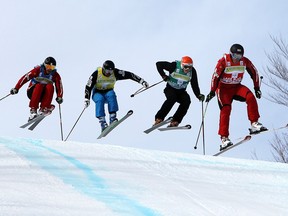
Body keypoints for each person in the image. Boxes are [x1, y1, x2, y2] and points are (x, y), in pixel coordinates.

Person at [205, 44, 267, 151]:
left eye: (239, 56)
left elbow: (254, 72)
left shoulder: (244, 61)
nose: (237, 59)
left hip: (236, 87)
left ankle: (254, 123)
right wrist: (212, 91)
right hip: (223, 89)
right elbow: (215, 77)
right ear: (230, 54)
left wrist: (256, 88)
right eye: (235, 56)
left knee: (250, 97)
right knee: (226, 109)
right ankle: (224, 138)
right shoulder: (223, 61)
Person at [84, 60, 149, 131]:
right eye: (107, 71)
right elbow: (88, 86)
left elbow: (130, 75)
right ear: (103, 69)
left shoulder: (116, 73)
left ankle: (112, 118)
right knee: (100, 99)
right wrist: (87, 99)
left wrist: (142, 81)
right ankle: (103, 123)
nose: (109, 73)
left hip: (108, 92)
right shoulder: (96, 74)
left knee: (111, 94)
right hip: (97, 93)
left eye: (110, 71)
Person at [154, 56, 205, 127]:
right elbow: (159, 64)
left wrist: (198, 95)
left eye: (190, 67)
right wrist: (163, 75)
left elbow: (194, 84)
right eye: (186, 67)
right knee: (172, 98)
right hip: (170, 89)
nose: (187, 69)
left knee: (186, 100)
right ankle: (159, 118)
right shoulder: (174, 66)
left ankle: (176, 120)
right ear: (182, 65)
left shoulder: (192, 72)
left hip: (181, 92)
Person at [10, 56, 63, 121]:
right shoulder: (37, 70)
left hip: (43, 95)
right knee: (39, 85)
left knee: (50, 86)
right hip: (33, 92)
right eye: (48, 66)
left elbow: (59, 86)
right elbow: (25, 78)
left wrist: (59, 96)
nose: (50, 69)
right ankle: (33, 110)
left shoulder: (55, 75)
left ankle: (44, 108)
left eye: (52, 67)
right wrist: (16, 88)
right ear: (44, 65)